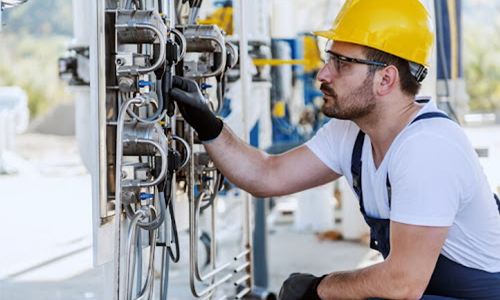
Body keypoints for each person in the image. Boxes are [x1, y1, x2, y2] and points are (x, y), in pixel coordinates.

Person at [169, 0, 500, 298]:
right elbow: (267, 175)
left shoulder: (427, 148)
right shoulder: (351, 133)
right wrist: (208, 125)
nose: (323, 74)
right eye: (329, 58)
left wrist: (318, 288)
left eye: (342, 63)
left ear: (386, 80)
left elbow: (402, 283)